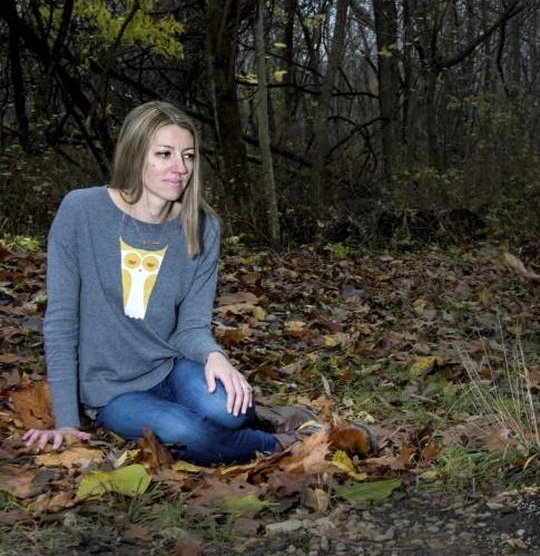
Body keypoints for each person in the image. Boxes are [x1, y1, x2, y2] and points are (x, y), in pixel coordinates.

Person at [22, 101, 318, 464]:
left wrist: (215, 356)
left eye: (188, 156)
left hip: (170, 366)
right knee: (187, 434)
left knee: (231, 411)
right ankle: (290, 443)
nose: (180, 168)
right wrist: (67, 422)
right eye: (164, 154)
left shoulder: (202, 227)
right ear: (135, 154)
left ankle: (256, 416)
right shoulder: (82, 211)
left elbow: (191, 325)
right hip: (113, 393)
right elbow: (61, 321)